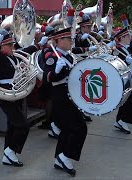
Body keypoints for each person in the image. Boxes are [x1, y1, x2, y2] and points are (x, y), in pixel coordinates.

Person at [0, 28, 46, 166]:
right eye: (8, 45)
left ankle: (8, 153)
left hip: (17, 93)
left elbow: (26, 52)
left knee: (12, 125)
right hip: (6, 94)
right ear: (2, 46)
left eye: (12, 44)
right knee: (23, 125)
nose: (12, 47)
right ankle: (11, 150)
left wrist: (38, 45)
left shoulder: (13, 56)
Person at [43, 27, 87, 176]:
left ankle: (59, 158)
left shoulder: (68, 56)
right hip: (61, 99)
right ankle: (65, 156)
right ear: (59, 41)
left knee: (68, 130)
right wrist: (55, 71)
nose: (71, 42)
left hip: (70, 98)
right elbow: (47, 78)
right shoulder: (51, 55)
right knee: (80, 128)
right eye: (69, 39)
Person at [112, 27, 132, 134]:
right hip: (122, 79)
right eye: (128, 36)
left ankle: (120, 120)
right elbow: (116, 63)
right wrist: (125, 61)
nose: (130, 37)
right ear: (122, 37)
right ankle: (121, 120)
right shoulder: (117, 49)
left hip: (127, 78)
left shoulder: (125, 48)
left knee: (127, 101)